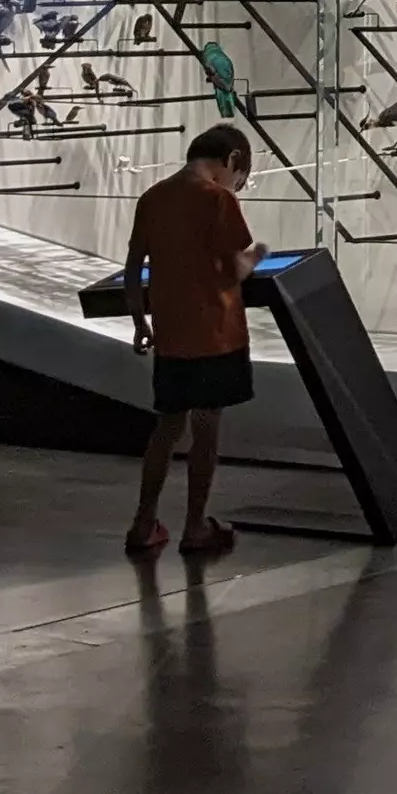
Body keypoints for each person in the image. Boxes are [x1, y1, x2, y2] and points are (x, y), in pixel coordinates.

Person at [123, 124, 266, 556]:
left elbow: (133, 268)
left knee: (167, 427)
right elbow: (234, 270)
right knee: (206, 433)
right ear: (233, 160)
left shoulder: (153, 198)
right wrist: (260, 253)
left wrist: (138, 321)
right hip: (216, 335)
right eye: (238, 173)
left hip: (171, 334)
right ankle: (195, 526)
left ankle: (143, 523)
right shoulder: (219, 199)